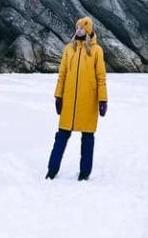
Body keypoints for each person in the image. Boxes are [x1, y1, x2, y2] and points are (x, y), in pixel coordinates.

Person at [45, 15, 108, 181]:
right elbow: (62, 74)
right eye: (77, 27)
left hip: (88, 102)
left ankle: (84, 173)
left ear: (87, 30)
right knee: (61, 135)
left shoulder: (97, 51)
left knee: (87, 137)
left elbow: (101, 77)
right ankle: (51, 170)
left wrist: (103, 100)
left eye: (81, 27)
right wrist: (58, 96)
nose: (78, 30)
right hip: (69, 101)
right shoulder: (68, 49)